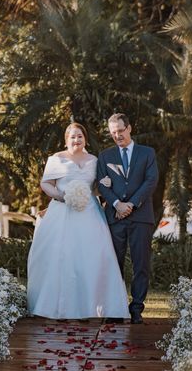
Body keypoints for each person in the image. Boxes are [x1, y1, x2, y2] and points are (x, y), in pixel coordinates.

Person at [27, 123, 129, 320]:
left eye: (80, 136)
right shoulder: (57, 158)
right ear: (66, 139)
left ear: (85, 139)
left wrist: (105, 185)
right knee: (62, 257)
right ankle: (58, 307)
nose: (77, 140)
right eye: (73, 137)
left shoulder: (94, 160)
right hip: (62, 210)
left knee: (93, 257)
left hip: (90, 213)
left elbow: (96, 189)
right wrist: (61, 195)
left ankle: (90, 307)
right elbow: (45, 183)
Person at [97, 113, 159, 324]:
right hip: (115, 217)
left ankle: (136, 309)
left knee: (141, 263)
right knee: (114, 263)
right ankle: (115, 307)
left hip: (141, 216)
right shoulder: (105, 156)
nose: (117, 136)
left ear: (129, 128)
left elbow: (151, 182)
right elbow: (101, 185)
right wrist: (117, 204)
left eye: (120, 131)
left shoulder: (147, 153)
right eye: (113, 133)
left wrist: (131, 204)